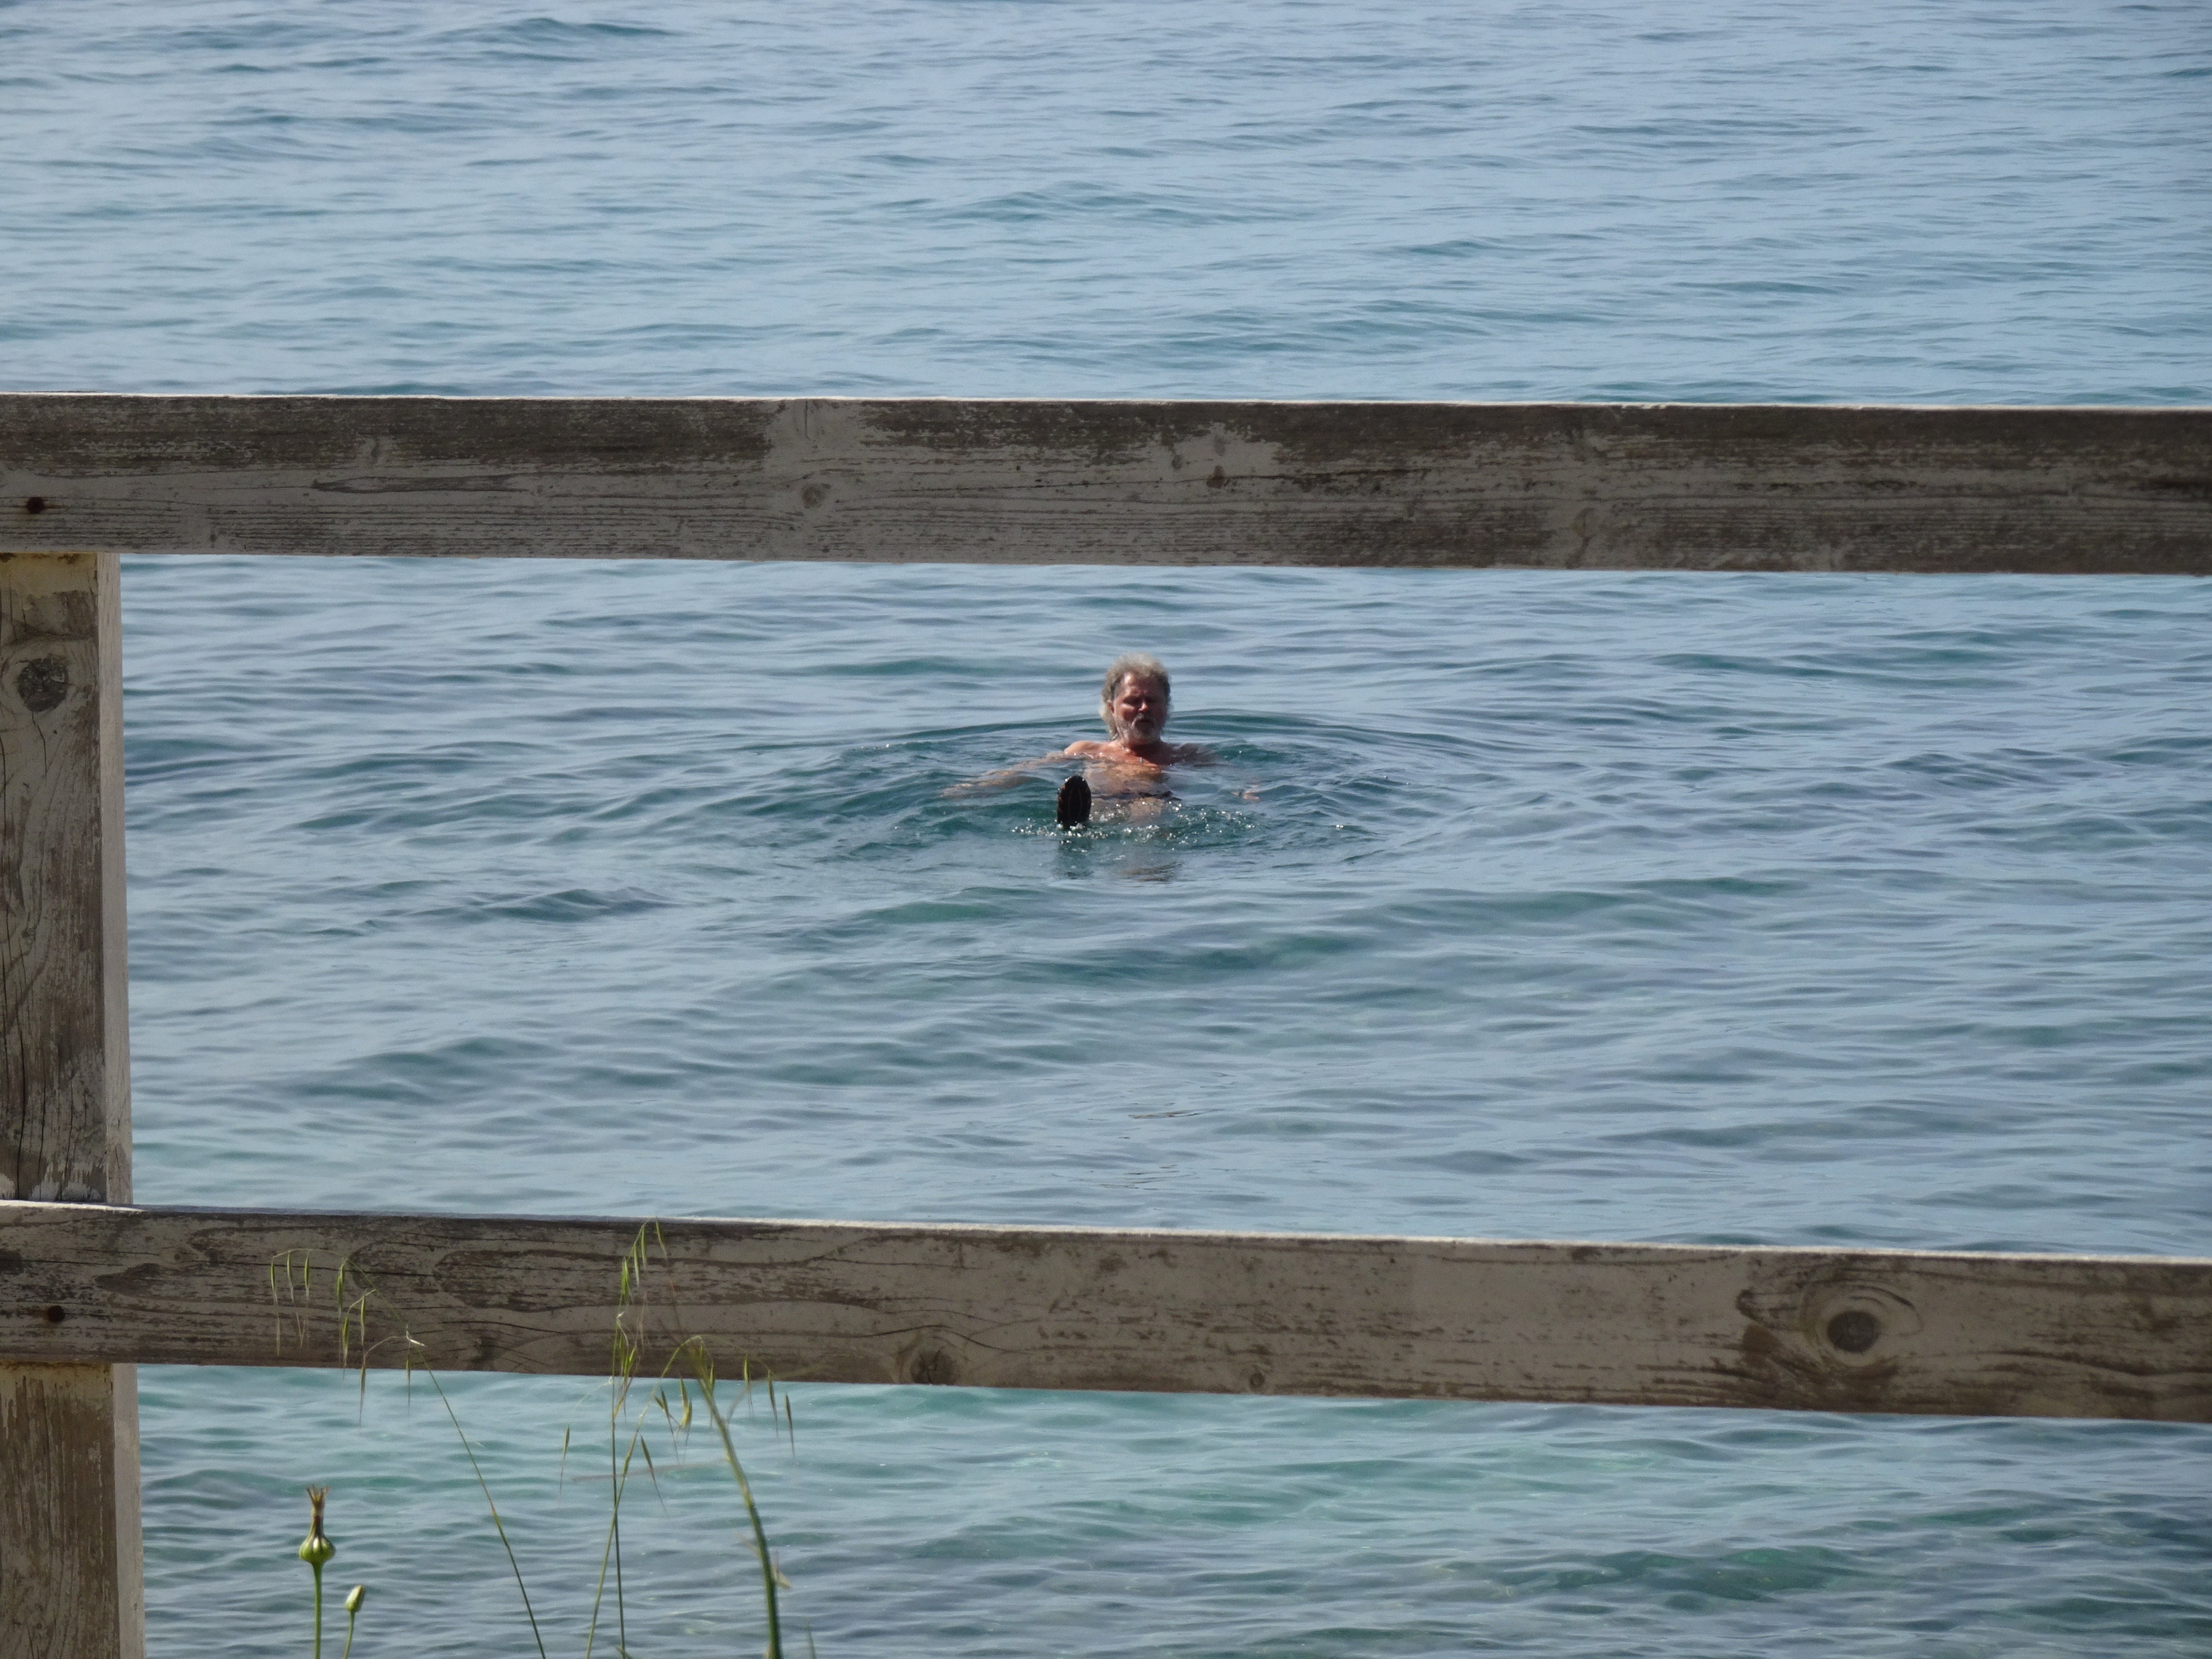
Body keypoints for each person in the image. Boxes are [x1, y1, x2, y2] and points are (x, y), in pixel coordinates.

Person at [947, 652, 1217, 824]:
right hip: (1102, 804)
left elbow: (1241, 780)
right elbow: (1031, 768)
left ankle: (1139, 863)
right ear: (1112, 708)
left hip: (1157, 805)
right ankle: (1080, 826)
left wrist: (1250, 792)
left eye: (1152, 700)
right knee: (1107, 805)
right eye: (1134, 701)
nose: (1144, 708)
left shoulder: (1188, 755)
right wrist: (980, 787)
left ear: (1167, 707)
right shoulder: (1088, 751)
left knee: (1149, 807)